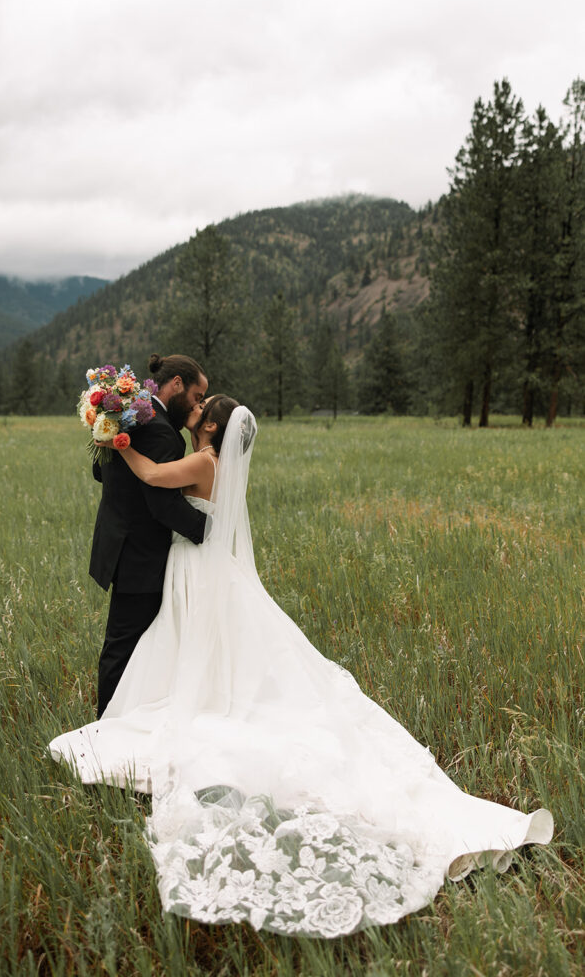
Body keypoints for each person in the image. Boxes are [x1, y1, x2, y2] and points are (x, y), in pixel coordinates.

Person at [50, 400, 553, 938]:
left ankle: (203, 704)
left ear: (214, 426)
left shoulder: (204, 464)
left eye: (200, 408)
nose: (193, 410)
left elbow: (151, 474)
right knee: (218, 654)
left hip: (197, 570)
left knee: (206, 657)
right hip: (209, 572)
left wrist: (116, 435)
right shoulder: (217, 466)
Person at [89, 352, 208, 718]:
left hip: (119, 546)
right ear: (177, 385)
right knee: (125, 648)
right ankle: (105, 734)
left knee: (129, 645)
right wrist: (209, 529)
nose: (199, 406)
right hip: (141, 556)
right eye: (196, 397)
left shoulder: (135, 415)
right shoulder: (163, 434)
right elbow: (163, 506)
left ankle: (125, 720)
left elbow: (99, 469)